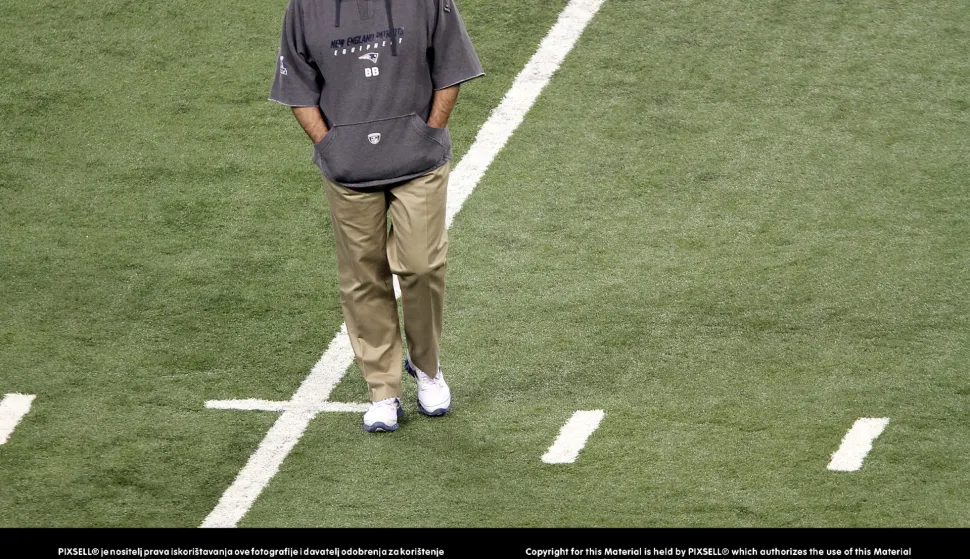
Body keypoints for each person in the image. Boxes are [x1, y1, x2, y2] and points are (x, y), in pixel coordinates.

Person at [269, 0, 484, 432]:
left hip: (418, 162)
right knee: (363, 274)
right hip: (350, 172)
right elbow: (297, 87)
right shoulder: (305, 7)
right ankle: (383, 390)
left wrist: (430, 132)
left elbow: (451, 67)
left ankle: (426, 367)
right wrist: (331, 145)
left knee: (422, 265)